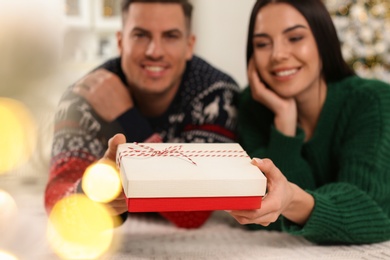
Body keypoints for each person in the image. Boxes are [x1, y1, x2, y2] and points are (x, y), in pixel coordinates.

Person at [45, 0, 240, 229]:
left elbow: (195, 212)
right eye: (140, 35)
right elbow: (58, 200)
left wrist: (127, 117)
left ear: (189, 45)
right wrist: (92, 194)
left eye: (170, 36)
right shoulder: (82, 97)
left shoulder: (218, 95)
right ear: (120, 42)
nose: (154, 51)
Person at [228, 0, 390, 244]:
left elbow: (366, 210)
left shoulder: (372, 102)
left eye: (295, 38)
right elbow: (262, 217)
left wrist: (291, 199)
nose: (278, 55)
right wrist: (285, 121)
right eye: (262, 44)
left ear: (323, 42)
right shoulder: (252, 106)